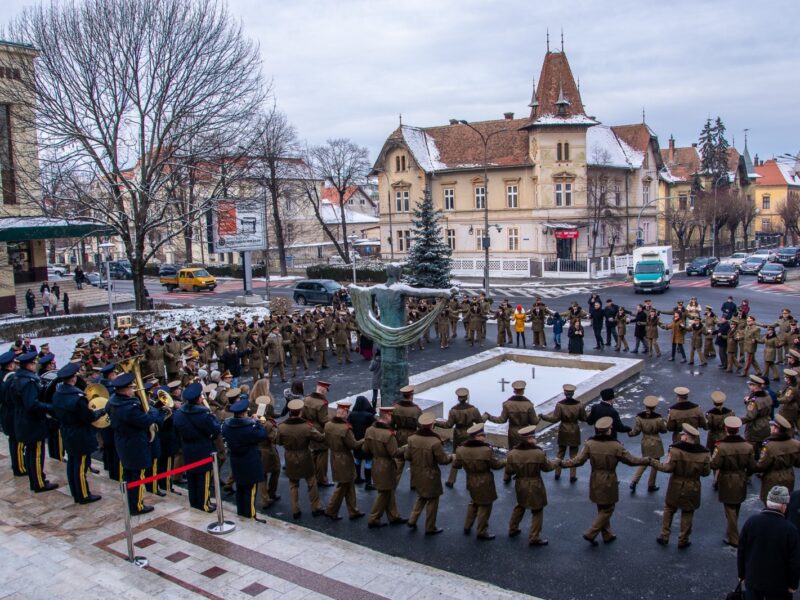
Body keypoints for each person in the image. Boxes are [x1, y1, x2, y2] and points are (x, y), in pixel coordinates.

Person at [562, 416, 649, 545]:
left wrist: (562, 463)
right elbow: (632, 461)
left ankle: (607, 534)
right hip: (609, 479)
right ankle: (591, 533)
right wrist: (648, 460)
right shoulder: (616, 446)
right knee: (608, 508)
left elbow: (578, 461)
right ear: (608, 430)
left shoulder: (590, 444)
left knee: (601, 506)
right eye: (610, 427)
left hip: (595, 477)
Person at [107, 372, 165, 515]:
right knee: (137, 475)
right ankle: (137, 505)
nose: (133, 390)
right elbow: (146, 420)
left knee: (128, 473)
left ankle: (130, 501)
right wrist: (155, 411)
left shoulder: (113, 401)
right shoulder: (130, 407)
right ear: (125, 390)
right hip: (135, 444)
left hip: (123, 442)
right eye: (131, 388)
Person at [50, 362, 104, 504]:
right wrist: (101, 411)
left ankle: (75, 492)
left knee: (72, 463)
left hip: (67, 431)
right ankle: (83, 495)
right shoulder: (77, 397)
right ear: (73, 378)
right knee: (80, 465)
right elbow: (89, 417)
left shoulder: (58, 393)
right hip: (79, 433)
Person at [653, 423, 711, 549]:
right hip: (693, 485)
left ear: (686, 437)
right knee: (688, 511)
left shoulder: (675, 450)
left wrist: (653, 463)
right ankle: (683, 539)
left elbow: (668, 468)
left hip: (676, 483)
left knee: (669, 508)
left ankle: (664, 535)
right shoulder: (704, 454)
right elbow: (706, 473)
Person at [738, 485, 800, 600]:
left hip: (753, 580)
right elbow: (794, 561)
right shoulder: (790, 530)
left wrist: (741, 574)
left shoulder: (751, 522)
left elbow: (742, 550)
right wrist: (793, 584)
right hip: (779, 585)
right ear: (783, 506)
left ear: (767, 502)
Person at [12, 351, 57, 492]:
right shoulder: (29, 382)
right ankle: (38, 482)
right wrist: (50, 407)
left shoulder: (18, 378)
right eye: (34, 363)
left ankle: (37, 477)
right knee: (36, 453)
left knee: (31, 452)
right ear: (29, 365)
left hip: (23, 420)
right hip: (32, 422)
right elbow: (32, 404)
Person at [506, 425, 558, 546]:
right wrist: (557, 462)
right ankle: (534, 537)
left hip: (520, 483)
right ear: (529, 439)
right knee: (537, 509)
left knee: (520, 505)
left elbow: (509, 471)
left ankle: (512, 528)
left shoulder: (512, 453)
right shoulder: (538, 453)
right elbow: (547, 468)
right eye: (533, 437)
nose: (535, 439)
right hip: (535, 484)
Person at [452, 422, 505, 540]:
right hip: (485, 481)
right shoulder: (486, 450)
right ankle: (481, 531)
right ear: (476, 437)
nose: (484, 437)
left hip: (470, 479)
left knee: (474, 502)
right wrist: (505, 461)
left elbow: (456, 465)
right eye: (482, 435)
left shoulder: (461, 449)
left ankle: (467, 526)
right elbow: (496, 465)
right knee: (485, 506)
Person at [173, 383, 220, 512]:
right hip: (202, 447)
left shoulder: (179, 413)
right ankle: (204, 503)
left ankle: (194, 502)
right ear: (199, 399)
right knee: (203, 477)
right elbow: (215, 429)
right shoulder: (204, 414)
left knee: (192, 477)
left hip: (187, 447)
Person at [276, 399, 326, 520]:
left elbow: (278, 441)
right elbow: (320, 438)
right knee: (311, 482)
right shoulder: (306, 427)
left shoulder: (282, 427)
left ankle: (295, 509)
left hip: (289, 456)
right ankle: (315, 507)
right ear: (300, 412)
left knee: (293, 484)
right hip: (305, 455)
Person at [712, 416, 756, 548]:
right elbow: (752, 467)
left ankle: (734, 537)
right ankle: (731, 531)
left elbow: (715, 464)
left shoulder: (721, 447)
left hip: (726, 478)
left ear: (726, 429)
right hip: (741, 476)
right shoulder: (748, 447)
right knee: (736, 505)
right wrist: (746, 474)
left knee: (729, 508)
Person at [404, 412, 452, 535]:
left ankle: (412, 519)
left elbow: (407, 456)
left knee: (421, 496)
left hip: (416, 473)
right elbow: (443, 460)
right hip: (431, 474)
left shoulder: (412, 439)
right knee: (432, 500)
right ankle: (430, 527)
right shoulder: (434, 442)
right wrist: (452, 457)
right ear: (431, 425)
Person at [222, 396, 267, 521]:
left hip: (236, 460)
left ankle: (241, 513)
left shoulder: (227, 426)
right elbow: (262, 435)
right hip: (249, 461)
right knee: (250, 491)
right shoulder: (248, 428)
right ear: (243, 414)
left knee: (240, 488)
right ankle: (250, 516)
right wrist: (256, 422)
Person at [363, 406, 407, 528]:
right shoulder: (389, 434)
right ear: (387, 416)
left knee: (389, 490)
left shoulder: (369, 430)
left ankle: (394, 516)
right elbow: (394, 453)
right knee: (384, 493)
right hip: (386, 466)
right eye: (391, 416)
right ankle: (373, 518)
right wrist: (406, 447)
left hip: (375, 463)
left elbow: (365, 448)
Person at [323, 401, 365, 521]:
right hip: (344, 459)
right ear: (345, 412)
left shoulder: (328, 425)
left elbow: (325, 440)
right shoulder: (345, 429)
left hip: (334, 456)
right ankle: (331, 510)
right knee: (343, 485)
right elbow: (353, 445)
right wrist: (364, 439)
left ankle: (353, 510)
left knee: (349, 483)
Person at [437, 387, 483, 488]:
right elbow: (480, 422)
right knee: (470, 458)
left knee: (456, 456)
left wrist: (436, 423)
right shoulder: (473, 409)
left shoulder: (453, 411)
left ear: (458, 398)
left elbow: (448, 425)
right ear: (466, 397)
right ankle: (469, 482)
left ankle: (451, 480)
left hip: (458, 435)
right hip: (470, 434)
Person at [540, 383, 586, 483]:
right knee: (574, 454)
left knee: (560, 452)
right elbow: (584, 418)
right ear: (573, 393)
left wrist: (543, 417)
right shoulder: (579, 405)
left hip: (563, 430)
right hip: (574, 430)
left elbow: (554, 419)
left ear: (565, 393)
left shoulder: (560, 405)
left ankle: (557, 472)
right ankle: (572, 475)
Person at [485, 380, 539, 458]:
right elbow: (534, 422)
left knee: (514, 454)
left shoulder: (507, 404)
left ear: (514, 391)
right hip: (526, 433)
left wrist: (489, 416)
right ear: (523, 391)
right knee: (526, 454)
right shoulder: (528, 405)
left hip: (513, 433)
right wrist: (540, 417)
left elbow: (501, 420)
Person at [755, 415, 800, 504]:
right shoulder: (796, 444)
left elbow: (761, 466)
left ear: (776, 429)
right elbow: (798, 463)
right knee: (785, 503)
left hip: (772, 477)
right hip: (789, 476)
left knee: (771, 503)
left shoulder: (769, 446)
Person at [628, 395, 667, 493]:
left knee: (644, 462)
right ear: (655, 407)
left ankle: (634, 481)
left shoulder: (639, 417)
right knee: (655, 464)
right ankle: (651, 484)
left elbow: (636, 431)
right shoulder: (658, 418)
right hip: (656, 441)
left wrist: (629, 433)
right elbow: (664, 430)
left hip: (645, 441)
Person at [303, 380, 332, 487]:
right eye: (326, 391)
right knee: (323, 454)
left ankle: (313, 475)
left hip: (309, 428)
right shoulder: (322, 403)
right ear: (323, 391)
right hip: (320, 430)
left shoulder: (307, 399)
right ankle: (322, 479)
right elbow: (323, 420)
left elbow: (302, 416)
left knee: (313, 453)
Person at [743, 375, 773, 460]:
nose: (749, 386)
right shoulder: (767, 395)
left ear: (755, 386)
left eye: (750, 385)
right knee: (762, 447)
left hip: (755, 427)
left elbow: (750, 416)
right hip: (766, 424)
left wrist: (739, 421)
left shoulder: (754, 401)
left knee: (750, 448)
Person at [348, 395, 376, 489]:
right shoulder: (369, 416)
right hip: (367, 442)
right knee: (368, 461)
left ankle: (358, 477)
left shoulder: (352, 414)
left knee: (357, 459)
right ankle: (368, 483)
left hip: (356, 441)